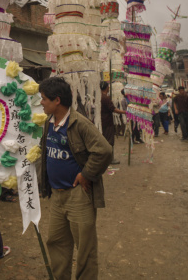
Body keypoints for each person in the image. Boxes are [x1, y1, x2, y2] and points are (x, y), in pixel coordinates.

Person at [39, 77, 112, 280]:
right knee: (56, 242)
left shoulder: (79, 123)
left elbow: (104, 151)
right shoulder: (49, 123)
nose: (41, 102)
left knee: (85, 249)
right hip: (57, 196)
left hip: (78, 196)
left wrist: (86, 174)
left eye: (44, 99)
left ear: (57, 101)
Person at [100, 82, 126, 164]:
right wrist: (124, 112)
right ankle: (110, 159)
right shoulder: (105, 98)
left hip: (103, 121)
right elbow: (113, 109)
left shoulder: (100, 97)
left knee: (105, 140)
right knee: (109, 141)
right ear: (107, 88)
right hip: (107, 122)